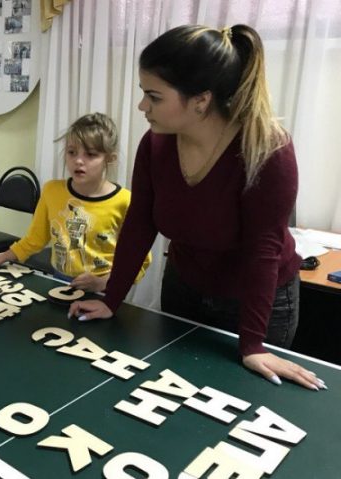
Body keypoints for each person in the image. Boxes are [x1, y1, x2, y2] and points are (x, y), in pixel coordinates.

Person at [68, 25, 324, 391]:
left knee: (241, 401)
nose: (142, 106)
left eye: (153, 97)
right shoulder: (154, 145)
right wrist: (112, 298)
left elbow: (263, 251)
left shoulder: (267, 148)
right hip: (184, 287)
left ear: (201, 101)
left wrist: (252, 344)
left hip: (256, 302)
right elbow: (140, 222)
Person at [0, 113, 150, 292]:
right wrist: (1, 257)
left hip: (105, 289)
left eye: (90, 154)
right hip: (60, 281)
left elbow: (141, 259)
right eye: (72, 152)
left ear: (110, 159)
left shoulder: (125, 201)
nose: (78, 161)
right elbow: (34, 239)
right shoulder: (52, 191)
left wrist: (105, 282)